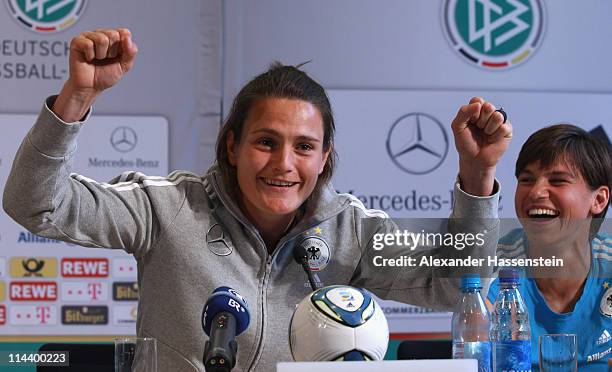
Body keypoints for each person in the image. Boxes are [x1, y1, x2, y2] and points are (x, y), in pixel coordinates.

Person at [3, 28, 512, 371]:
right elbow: (34, 204)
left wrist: (478, 173)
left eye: (304, 147)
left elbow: (456, 287)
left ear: (325, 156)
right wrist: (76, 97)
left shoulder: (349, 230)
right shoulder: (166, 208)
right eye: (266, 142)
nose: (283, 164)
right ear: (233, 145)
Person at [486, 124, 611, 370]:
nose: (536, 191)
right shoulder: (493, 262)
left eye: (558, 180)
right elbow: (475, 349)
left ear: (598, 200)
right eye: (526, 179)